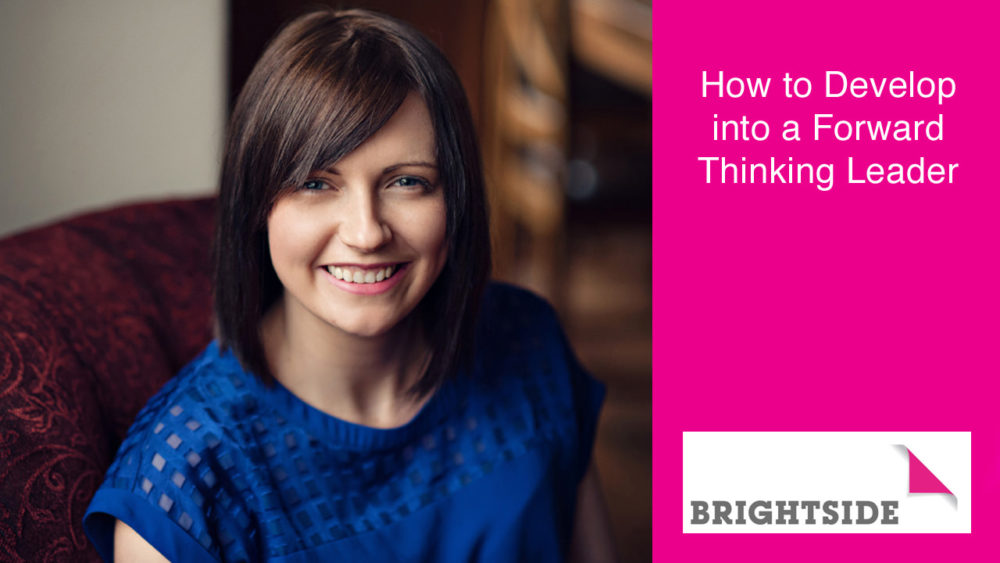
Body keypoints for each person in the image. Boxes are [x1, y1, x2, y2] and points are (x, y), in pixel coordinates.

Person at [83, 8, 614, 562]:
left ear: (455, 199)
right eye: (316, 183)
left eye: (408, 182)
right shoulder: (183, 485)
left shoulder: (529, 341)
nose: (366, 232)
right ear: (257, 206)